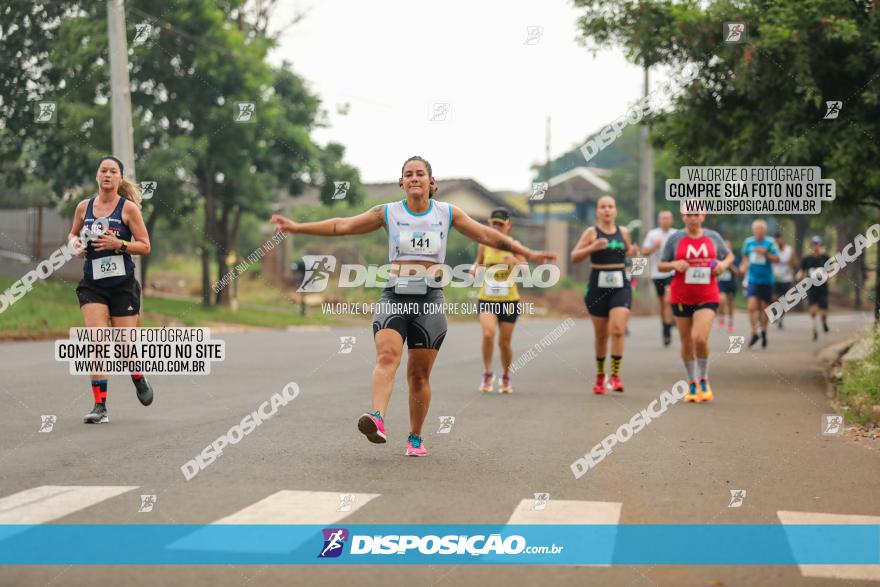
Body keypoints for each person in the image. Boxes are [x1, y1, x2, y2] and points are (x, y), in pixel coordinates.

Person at [269, 156, 555, 456]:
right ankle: (377, 418)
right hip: (394, 294)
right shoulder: (388, 212)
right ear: (402, 182)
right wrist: (296, 227)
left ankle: (415, 437)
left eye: (421, 173)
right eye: (409, 174)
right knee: (387, 356)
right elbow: (342, 225)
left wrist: (528, 253)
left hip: (430, 300)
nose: (415, 178)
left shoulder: (447, 213)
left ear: (432, 183)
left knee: (418, 375)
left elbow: (488, 236)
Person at [67, 156, 154, 424]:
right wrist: (75, 245)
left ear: (119, 178)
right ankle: (100, 406)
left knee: (125, 346)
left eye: (113, 171)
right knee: (97, 343)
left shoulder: (128, 209)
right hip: (93, 284)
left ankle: (137, 377)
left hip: (122, 287)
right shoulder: (84, 207)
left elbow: (145, 245)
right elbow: (72, 235)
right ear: (97, 176)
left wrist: (119, 244)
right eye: (103, 170)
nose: (107, 174)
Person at [658, 212, 734, 402]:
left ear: (703, 216)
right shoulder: (674, 239)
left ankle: (703, 379)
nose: (693, 218)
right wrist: (674, 264)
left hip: (707, 294)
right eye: (689, 214)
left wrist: (722, 265)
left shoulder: (713, 237)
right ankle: (692, 382)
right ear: (683, 217)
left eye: (697, 214)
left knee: (699, 338)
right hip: (681, 296)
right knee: (686, 341)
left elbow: (729, 256)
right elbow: (660, 265)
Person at [570, 195, 639, 394]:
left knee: (617, 330)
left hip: (620, 285)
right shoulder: (591, 232)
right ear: (597, 211)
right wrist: (592, 247)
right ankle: (600, 376)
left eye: (610, 206)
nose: (607, 210)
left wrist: (632, 252)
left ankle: (615, 376)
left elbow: (627, 253)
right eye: (603, 207)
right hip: (597, 286)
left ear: (615, 210)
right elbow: (574, 256)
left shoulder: (623, 232)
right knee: (601, 336)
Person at [473, 207, 527, 393]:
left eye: (500, 224)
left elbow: (526, 271)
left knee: (504, 343)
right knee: (488, 334)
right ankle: (487, 373)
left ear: (508, 225)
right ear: (489, 223)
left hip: (509, 300)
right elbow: (478, 263)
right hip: (487, 297)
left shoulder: (514, 244)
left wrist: (513, 259)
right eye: (493, 223)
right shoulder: (484, 244)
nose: (496, 227)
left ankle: (505, 375)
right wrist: (474, 270)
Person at [740, 220, 779, 348]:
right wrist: (744, 265)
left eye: (761, 229)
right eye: (757, 229)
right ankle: (754, 332)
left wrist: (765, 253)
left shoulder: (771, 243)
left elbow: (777, 259)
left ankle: (764, 331)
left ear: (765, 231)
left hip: (767, 280)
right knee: (751, 307)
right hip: (752, 279)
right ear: (753, 230)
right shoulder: (748, 242)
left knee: (764, 308)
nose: (759, 231)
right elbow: (745, 257)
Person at [641, 210, 677, 346]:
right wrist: (655, 247)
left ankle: (669, 326)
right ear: (659, 220)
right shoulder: (653, 234)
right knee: (662, 302)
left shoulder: (676, 234)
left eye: (668, 218)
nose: (666, 220)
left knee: (668, 300)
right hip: (657, 273)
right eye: (663, 218)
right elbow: (644, 252)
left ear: (672, 220)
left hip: (672, 272)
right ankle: (665, 327)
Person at [799, 236, 831, 341]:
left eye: (818, 244)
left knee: (823, 313)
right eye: (814, 244)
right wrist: (799, 276)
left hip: (823, 289)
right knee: (813, 311)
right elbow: (801, 271)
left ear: (820, 245)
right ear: (812, 246)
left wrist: (828, 276)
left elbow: (831, 271)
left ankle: (824, 322)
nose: (816, 246)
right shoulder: (807, 259)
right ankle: (814, 329)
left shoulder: (825, 258)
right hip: (812, 288)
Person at [771, 232, 797, 330]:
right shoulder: (773, 250)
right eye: (777, 240)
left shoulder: (789, 250)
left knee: (784, 300)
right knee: (774, 297)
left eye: (780, 239)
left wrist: (792, 261)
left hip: (786, 278)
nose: (779, 241)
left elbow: (795, 263)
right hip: (775, 277)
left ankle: (781, 319)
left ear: (783, 240)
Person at [715, 239, 740, 333]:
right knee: (721, 300)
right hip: (721, 284)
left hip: (731, 284)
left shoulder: (734, 259)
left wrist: (729, 265)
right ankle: (721, 318)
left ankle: (730, 322)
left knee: (730, 304)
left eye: (727, 247)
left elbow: (738, 272)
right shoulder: (718, 258)